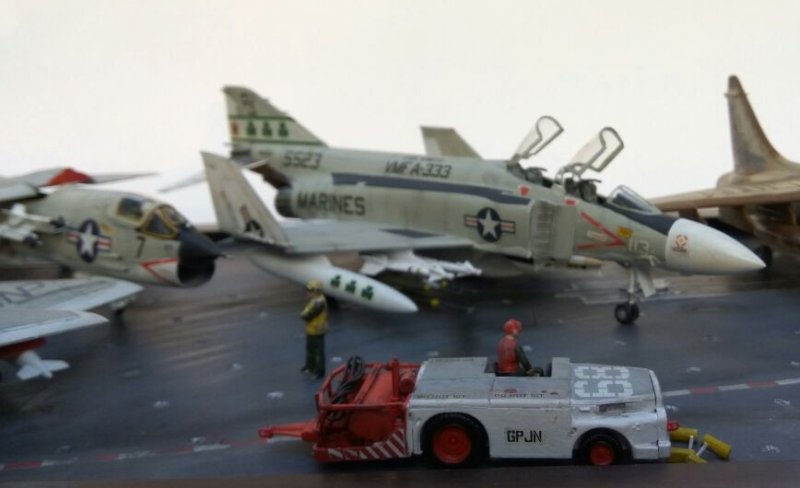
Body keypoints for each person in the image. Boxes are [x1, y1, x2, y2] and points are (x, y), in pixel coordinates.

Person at [300, 279, 328, 378]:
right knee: (310, 349)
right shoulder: (314, 300)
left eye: (310, 290)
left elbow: (309, 315)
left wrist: (303, 315)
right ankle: (310, 366)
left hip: (318, 330)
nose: (308, 292)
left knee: (318, 351)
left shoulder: (319, 302)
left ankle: (320, 370)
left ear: (316, 291)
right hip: (311, 329)